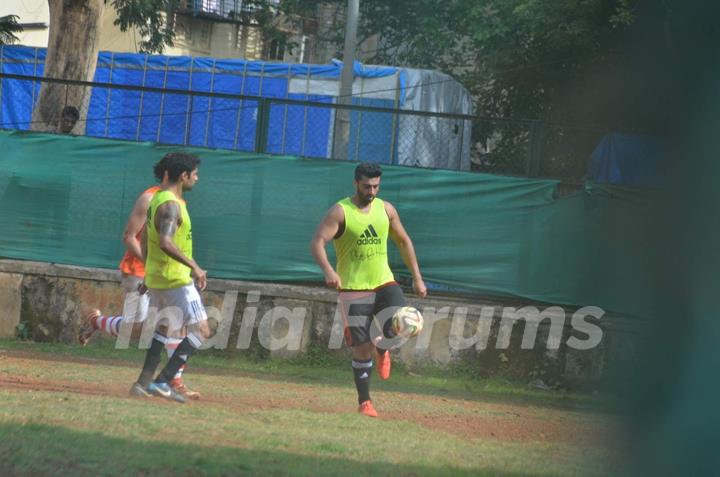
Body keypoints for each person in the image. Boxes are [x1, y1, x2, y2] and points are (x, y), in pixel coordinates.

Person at [310, 162, 427, 417]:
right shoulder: (341, 212)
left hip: (384, 282)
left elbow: (404, 241)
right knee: (362, 349)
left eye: (375, 186)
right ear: (355, 183)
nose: (371, 191)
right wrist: (329, 271)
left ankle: (384, 348)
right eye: (366, 186)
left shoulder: (386, 210)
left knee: (399, 321)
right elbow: (317, 242)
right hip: (353, 288)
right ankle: (365, 402)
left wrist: (417, 278)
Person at [78, 155, 199, 399]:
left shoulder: (176, 201)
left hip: (162, 274)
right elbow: (129, 236)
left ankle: (170, 381)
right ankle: (97, 322)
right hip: (138, 271)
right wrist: (150, 265)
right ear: (169, 174)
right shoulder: (150, 198)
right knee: (136, 330)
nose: (191, 177)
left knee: (175, 324)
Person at [132, 152, 210, 403]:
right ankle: (162, 381)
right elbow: (165, 242)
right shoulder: (171, 205)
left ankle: (141, 384)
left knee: (163, 329)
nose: (197, 179)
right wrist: (195, 267)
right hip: (176, 279)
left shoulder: (156, 200)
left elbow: (144, 238)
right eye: (195, 174)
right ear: (183, 175)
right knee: (202, 330)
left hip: (159, 278)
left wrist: (148, 271)